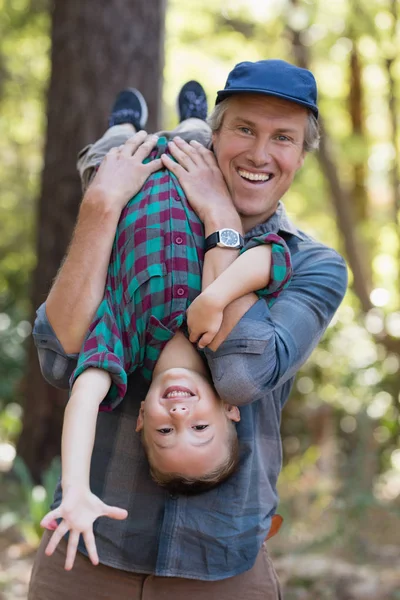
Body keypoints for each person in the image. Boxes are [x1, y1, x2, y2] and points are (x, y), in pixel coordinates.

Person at [29, 60, 348, 599]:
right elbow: (61, 358)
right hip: (88, 556)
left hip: (222, 565)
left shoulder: (312, 264)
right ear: (216, 135)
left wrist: (221, 223)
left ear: (300, 154)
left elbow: (242, 375)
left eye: (283, 138)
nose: (259, 153)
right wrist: (103, 205)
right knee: (107, 162)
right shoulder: (133, 209)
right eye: (244, 128)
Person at [38, 99, 293, 568]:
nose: (178, 412)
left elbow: (83, 400)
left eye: (163, 429)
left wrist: (76, 488)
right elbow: (271, 258)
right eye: (198, 427)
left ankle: (122, 122)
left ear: (139, 418)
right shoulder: (224, 336)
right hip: (190, 165)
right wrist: (215, 297)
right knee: (199, 138)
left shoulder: (122, 344)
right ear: (228, 409)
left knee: (107, 154)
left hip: (125, 171)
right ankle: (194, 112)